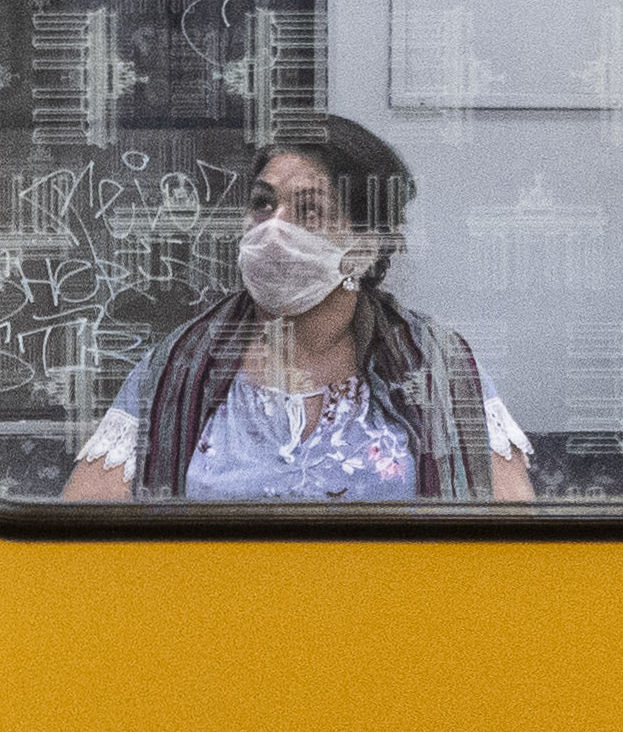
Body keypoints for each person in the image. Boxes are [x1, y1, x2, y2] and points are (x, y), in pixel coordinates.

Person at [63, 116, 533, 505]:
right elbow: (79, 535)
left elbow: (512, 548)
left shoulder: (438, 369)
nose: (273, 229)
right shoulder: (178, 367)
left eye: (308, 210)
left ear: (363, 247)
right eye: (263, 204)